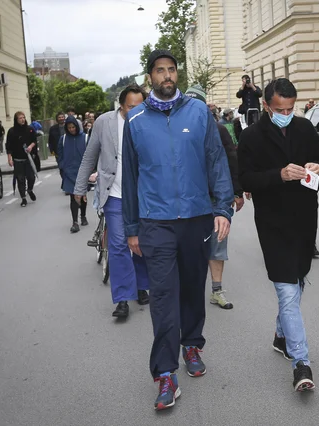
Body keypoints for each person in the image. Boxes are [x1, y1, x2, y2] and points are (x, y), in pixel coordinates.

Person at [122, 49, 234, 411]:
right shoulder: (135, 120)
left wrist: (222, 207)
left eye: (171, 70)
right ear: (150, 77)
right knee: (163, 296)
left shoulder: (199, 112)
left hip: (197, 217)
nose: (167, 76)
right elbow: (130, 178)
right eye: (160, 71)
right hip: (155, 222)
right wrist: (131, 228)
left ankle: (192, 344)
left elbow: (216, 161)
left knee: (191, 287)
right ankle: (165, 373)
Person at [238, 78, 319, 392]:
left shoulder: (305, 129)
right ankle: (301, 363)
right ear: (266, 105)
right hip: (273, 224)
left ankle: (281, 336)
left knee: (299, 280)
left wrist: (318, 168)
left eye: (291, 109)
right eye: (280, 109)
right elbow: (245, 177)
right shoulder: (251, 136)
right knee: (288, 292)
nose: (286, 114)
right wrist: (279, 174)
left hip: (305, 220)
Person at [73, 84, 150, 318]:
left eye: (139, 106)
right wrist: (79, 187)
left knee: (140, 244)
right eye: (130, 107)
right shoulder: (104, 122)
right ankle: (123, 299)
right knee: (118, 246)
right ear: (121, 105)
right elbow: (90, 155)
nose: (134, 111)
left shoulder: (148, 121)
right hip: (114, 194)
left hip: (142, 196)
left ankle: (139, 284)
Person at [185, 85, 244, 310]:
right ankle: (190, 291)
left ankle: (217, 291)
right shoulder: (178, 131)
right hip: (189, 201)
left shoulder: (218, 130)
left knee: (218, 246)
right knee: (190, 248)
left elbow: (231, 161)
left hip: (216, 200)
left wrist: (236, 192)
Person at [58, 116, 88, 233]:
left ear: (77, 126)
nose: (71, 129)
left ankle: (83, 215)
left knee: (82, 195)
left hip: (82, 171)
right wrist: (62, 166)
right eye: (69, 127)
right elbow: (59, 154)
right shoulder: (63, 139)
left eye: (73, 127)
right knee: (73, 197)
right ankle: (75, 222)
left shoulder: (85, 138)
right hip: (69, 172)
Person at [6, 111, 37, 207]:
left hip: (28, 158)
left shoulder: (30, 129)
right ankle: (23, 198)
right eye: (20, 118)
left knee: (31, 177)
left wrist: (31, 146)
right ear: (16, 120)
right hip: (17, 159)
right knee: (20, 179)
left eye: (23, 117)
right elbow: (9, 146)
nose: (23, 119)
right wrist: (9, 159)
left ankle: (30, 189)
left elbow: (34, 141)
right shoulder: (11, 131)